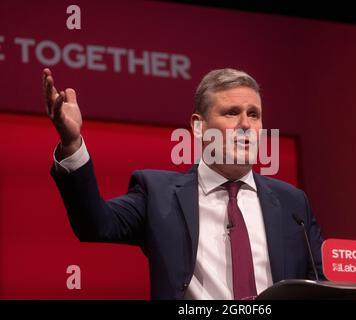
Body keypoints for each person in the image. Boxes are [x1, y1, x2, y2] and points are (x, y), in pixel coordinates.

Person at [43, 67, 324, 300]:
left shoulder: (293, 203)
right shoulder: (158, 194)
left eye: (254, 114)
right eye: (231, 113)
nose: (246, 125)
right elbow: (95, 224)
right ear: (198, 125)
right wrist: (72, 144)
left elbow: (321, 284)